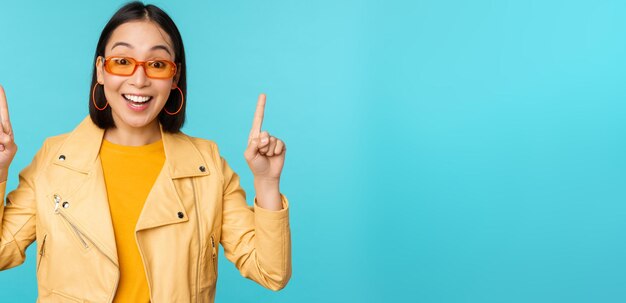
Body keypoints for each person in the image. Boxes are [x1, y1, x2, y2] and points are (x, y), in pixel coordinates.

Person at [0, 2, 291, 302]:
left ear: (174, 77)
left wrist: (267, 183)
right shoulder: (54, 159)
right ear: (100, 70)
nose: (139, 80)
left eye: (157, 64)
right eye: (122, 61)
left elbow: (271, 272)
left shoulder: (208, 166)